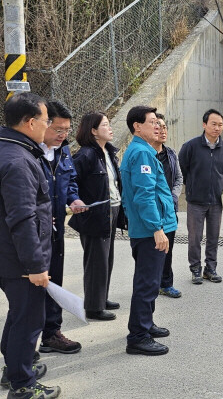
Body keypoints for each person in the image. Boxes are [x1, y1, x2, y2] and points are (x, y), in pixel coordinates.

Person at [0, 92, 61, 398]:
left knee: (19, 314)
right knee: (29, 320)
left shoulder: (4, 150)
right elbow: (23, 219)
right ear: (30, 122)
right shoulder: (18, 161)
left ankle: (14, 367)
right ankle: (22, 385)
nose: (48, 126)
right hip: (20, 263)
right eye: (46, 121)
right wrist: (36, 266)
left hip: (5, 257)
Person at [120, 105, 177, 356]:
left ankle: (146, 324)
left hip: (150, 227)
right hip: (147, 230)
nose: (157, 126)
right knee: (146, 283)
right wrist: (157, 229)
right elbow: (144, 196)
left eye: (158, 122)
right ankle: (138, 337)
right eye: (152, 122)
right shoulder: (142, 153)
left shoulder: (144, 150)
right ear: (137, 126)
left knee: (151, 282)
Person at [38, 100, 86, 354]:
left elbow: (70, 182)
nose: (62, 135)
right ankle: (25, 345)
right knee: (35, 286)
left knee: (55, 280)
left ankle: (51, 333)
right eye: (58, 129)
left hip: (56, 230)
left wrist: (74, 199)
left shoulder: (63, 151)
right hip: (35, 232)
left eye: (66, 130)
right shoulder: (30, 154)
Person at [68, 112, 126, 321]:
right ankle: (93, 307)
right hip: (95, 213)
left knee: (106, 258)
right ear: (93, 131)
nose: (110, 128)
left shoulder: (108, 152)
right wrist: (75, 201)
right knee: (96, 260)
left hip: (111, 210)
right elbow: (70, 181)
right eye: (105, 125)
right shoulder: (86, 155)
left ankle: (101, 298)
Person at [178, 108, 223, 284]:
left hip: (216, 202)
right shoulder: (190, 146)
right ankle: (196, 269)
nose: (217, 128)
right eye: (213, 124)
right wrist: (191, 186)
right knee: (194, 238)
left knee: (213, 237)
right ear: (204, 125)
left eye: (220, 125)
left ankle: (210, 269)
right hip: (195, 201)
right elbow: (182, 170)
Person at [152, 113, 183, 298]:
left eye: (164, 127)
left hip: (169, 210)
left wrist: (173, 197)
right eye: (158, 126)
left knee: (167, 249)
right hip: (153, 211)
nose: (162, 130)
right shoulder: (146, 154)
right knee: (151, 250)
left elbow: (179, 178)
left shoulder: (170, 153)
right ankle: (151, 283)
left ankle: (166, 283)